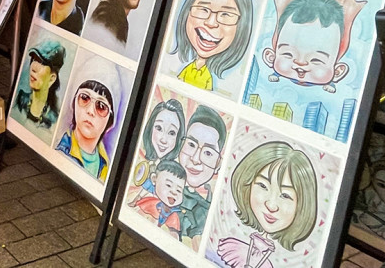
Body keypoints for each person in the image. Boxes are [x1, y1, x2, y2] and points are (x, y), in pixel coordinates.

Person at [211, 142, 318, 268]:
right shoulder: (231, 248)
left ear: (302, 206)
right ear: (247, 184)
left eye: (285, 195)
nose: (271, 205)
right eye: (263, 186)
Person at [171, 0, 254, 92]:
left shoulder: (213, 79)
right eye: (203, 9)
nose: (211, 23)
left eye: (225, 14)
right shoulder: (188, 68)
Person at [178, 106, 228, 244]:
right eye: (191, 144)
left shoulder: (208, 212)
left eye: (208, 153)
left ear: (218, 163)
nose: (195, 158)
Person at [13, 41, 65, 131]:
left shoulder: (53, 118)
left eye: (41, 63)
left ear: (52, 78)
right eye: (34, 59)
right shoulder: (20, 100)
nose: (34, 67)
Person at [134, 159, 185, 236]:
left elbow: (174, 235)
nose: (174, 192)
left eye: (179, 190)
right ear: (154, 179)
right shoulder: (150, 203)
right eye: (168, 185)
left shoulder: (174, 215)